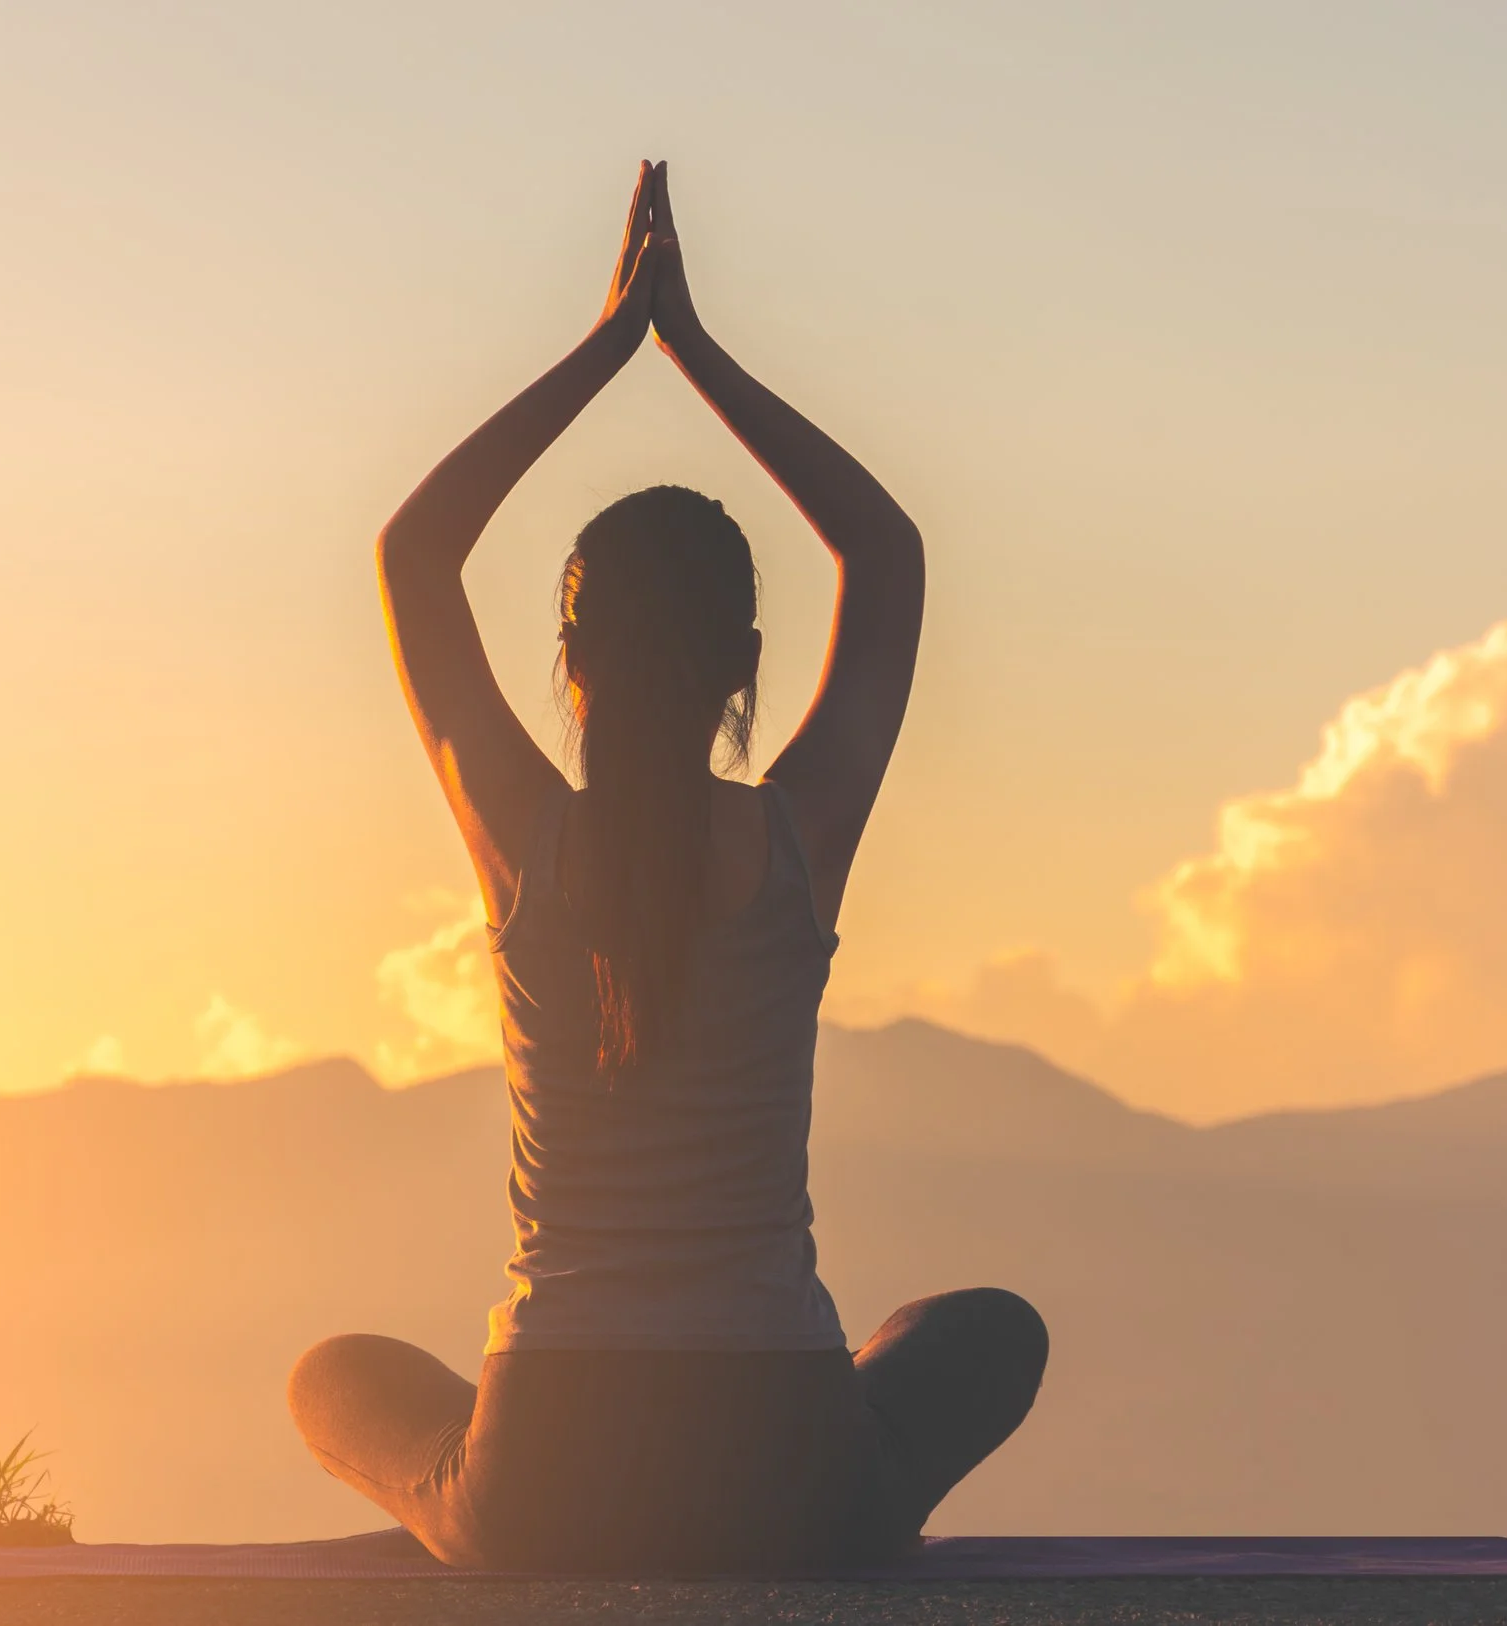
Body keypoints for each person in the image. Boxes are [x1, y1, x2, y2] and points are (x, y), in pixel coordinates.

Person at [287, 161, 1047, 1574]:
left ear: (567, 665)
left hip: (544, 1474)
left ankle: (474, 1489)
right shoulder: (795, 834)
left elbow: (413, 554)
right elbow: (884, 555)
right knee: (985, 1331)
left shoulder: (525, 837)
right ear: (747, 668)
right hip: (796, 1471)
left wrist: (603, 344)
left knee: (335, 1375)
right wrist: (696, 352)